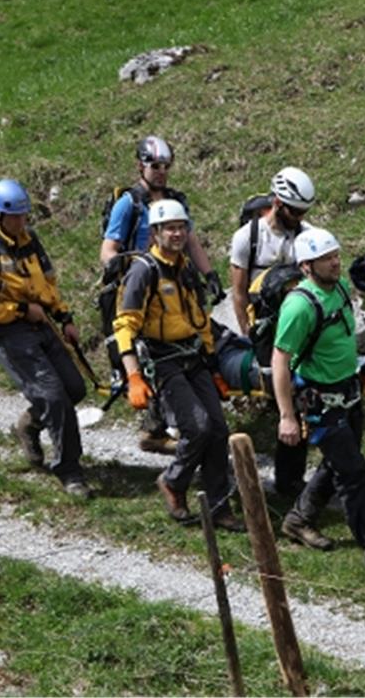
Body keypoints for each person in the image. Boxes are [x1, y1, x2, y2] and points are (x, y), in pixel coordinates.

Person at [272, 227, 365, 581]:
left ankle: (298, 519)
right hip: (321, 402)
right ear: (307, 266)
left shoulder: (337, 289)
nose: (335, 262)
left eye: (335, 255)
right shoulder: (299, 306)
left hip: (348, 393)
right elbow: (280, 360)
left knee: (337, 463)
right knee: (353, 475)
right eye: (326, 258)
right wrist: (287, 416)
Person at [113, 199, 244, 532]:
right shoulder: (144, 271)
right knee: (196, 427)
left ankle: (219, 506)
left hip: (194, 356)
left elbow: (200, 319)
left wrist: (215, 368)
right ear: (155, 233)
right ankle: (174, 481)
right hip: (162, 360)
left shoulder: (185, 267)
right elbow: (125, 325)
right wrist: (133, 376)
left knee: (217, 430)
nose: (177, 233)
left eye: (181, 227)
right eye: (169, 228)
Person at [0, 178, 92, 499]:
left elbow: (47, 282)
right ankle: (69, 470)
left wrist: (65, 317)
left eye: (24, 216)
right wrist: (20, 311)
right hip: (9, 331)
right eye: (15, 217)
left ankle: (30, 425)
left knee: (74, 388)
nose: (21, 222)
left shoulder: (30, 240)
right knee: (54, 396)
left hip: (41, 321)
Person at [100, 135, 224, 454]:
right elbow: (108, 249)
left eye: (166, 166)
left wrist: (208, 274)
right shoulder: (129, 203)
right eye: (155, 165)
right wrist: (129, 272)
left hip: (171, 282)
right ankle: (157, 426)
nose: (161, 172)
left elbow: (192, 242)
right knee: (144, 352)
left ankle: (157, 429)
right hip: (139, 287)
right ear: (140, 165)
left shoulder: (174, 202)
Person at [228, 166, 316, 498]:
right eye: (293, 210)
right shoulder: (247, 238)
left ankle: (293, 477)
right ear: (277, 202)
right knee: (292, 397)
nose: (298, 217)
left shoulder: (306, 235)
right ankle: (289, 481)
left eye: (303, 212)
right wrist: (248, 331)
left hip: (298, 322)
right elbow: (238, 291)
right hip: (264, 326)